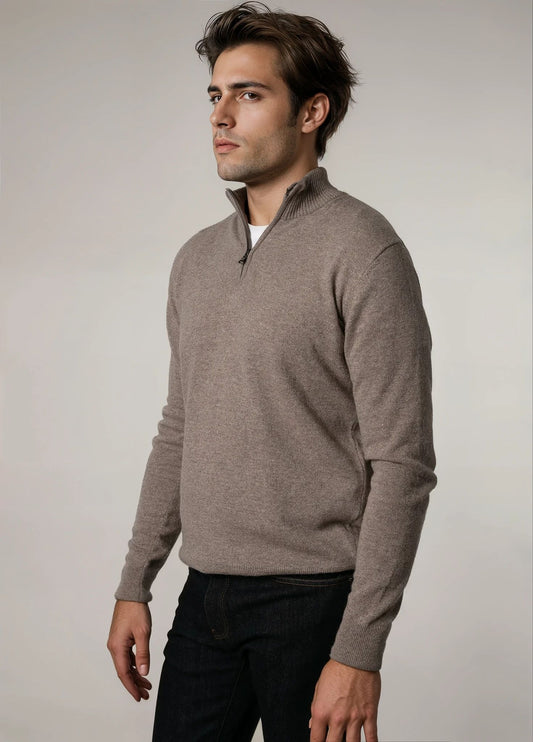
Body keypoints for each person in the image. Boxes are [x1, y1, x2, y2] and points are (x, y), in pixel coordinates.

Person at [106, 2, 438, 741]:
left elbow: (402, 462)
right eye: (215, 95)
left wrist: (358, 649)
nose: (220, 116)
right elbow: (179, 428)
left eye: (249, 95)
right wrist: (136, 582)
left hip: (314, 601)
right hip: (205, 597)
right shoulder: (197, 259)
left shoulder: (363, 249)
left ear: (311, 112)